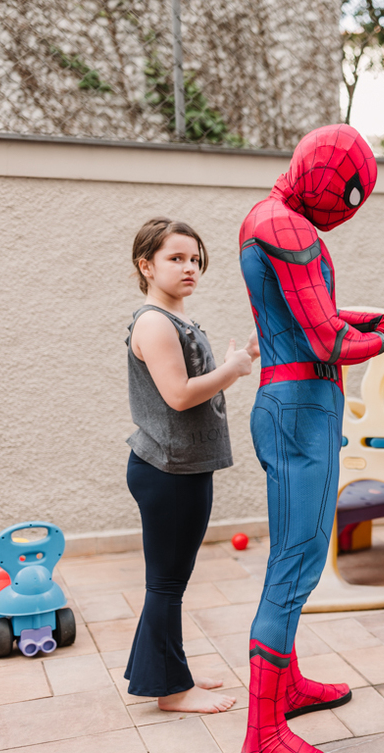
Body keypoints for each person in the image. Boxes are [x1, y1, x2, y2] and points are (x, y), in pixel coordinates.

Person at [238, 124, 384, 753]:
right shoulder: (287, 228)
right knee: (295, 568)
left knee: (295, 558)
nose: (352, 204)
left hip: (295, 407)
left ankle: (284, 686)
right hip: (299, 407)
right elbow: (325, 340)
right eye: (353, 191)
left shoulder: (275, 218)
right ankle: (262, 738)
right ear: (334, 184)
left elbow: (316, 313)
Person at [125, 217, 257, 714]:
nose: (189, 267)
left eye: (195, 259)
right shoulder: (155, 322)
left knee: (170, 580)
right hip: (167, 470)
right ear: (147, 265)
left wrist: (240, 357)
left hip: (182, 467)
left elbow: (198, 386)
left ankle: (165, 670)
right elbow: (179, 396)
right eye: (176, 258)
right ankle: (171, 691)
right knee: (166, 581)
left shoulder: (177, 319)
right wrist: (231, 371)